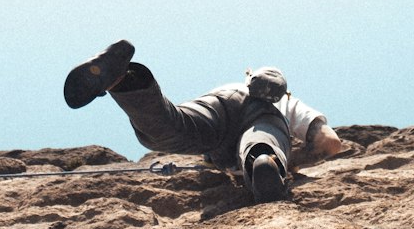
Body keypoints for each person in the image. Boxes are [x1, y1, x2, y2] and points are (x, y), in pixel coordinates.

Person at [63, 39, 343, 203]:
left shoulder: (240, 86)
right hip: (260, 115)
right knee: (261, 142)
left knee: (171, 127)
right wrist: (292, 159)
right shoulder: (287, 102)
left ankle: (123, 80)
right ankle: (264, 164)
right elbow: (329, 142)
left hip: (219, 101)